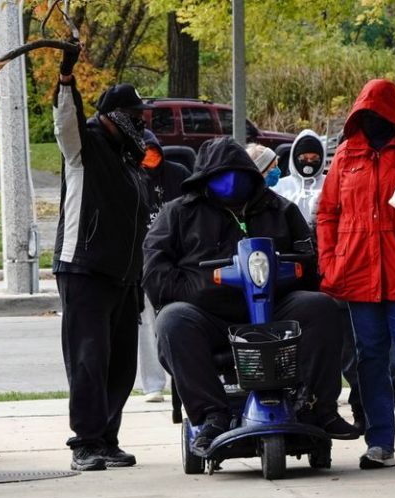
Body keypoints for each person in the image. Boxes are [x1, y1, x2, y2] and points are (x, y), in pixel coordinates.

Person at [142, 136, 358, 456]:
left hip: (274, 307)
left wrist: (290, 273)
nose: (232, 183)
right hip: (210, 313)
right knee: (173, 321)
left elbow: (309, 262)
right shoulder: (179, 212)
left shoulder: (279, 208)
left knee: (320, 307)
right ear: (205, 179)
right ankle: (211, 416)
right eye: (222, 176)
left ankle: (317, 407)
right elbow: (154, 271)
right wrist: (197, 289)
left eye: (239, 174)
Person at [317, 78, 395, 469]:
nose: (371, 119)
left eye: (377, 111)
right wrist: (331, 264)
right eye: (364, 112)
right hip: (358, 273)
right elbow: (328, 213)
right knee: (369, 358)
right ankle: (380, 443)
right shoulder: (344, 155)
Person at [53, 40, 151, 471]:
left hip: (124, 275)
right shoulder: (85, 146)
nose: (140, 122)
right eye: (133, 115)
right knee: (89, 359)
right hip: (85, 268)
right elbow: (65, 122)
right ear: (113, 117)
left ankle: (107, 438)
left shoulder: (129, 158)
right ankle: (86, 442)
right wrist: (66, 78)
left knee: (120, 362)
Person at [137, 130, 191, 402]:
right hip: (145, 260)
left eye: (153, 151)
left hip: (178, 258)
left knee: (177, 317)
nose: (150, 158)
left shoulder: (178, 174)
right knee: (147, 321)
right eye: (144, 152)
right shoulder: (132, 176)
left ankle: (182, 378)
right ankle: (153, 384)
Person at [273, 129, 326, 231]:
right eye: (303, 159)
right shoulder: (279, 187)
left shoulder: (329, 184)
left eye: (315, 159)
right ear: (294, 158)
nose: (309, 163)